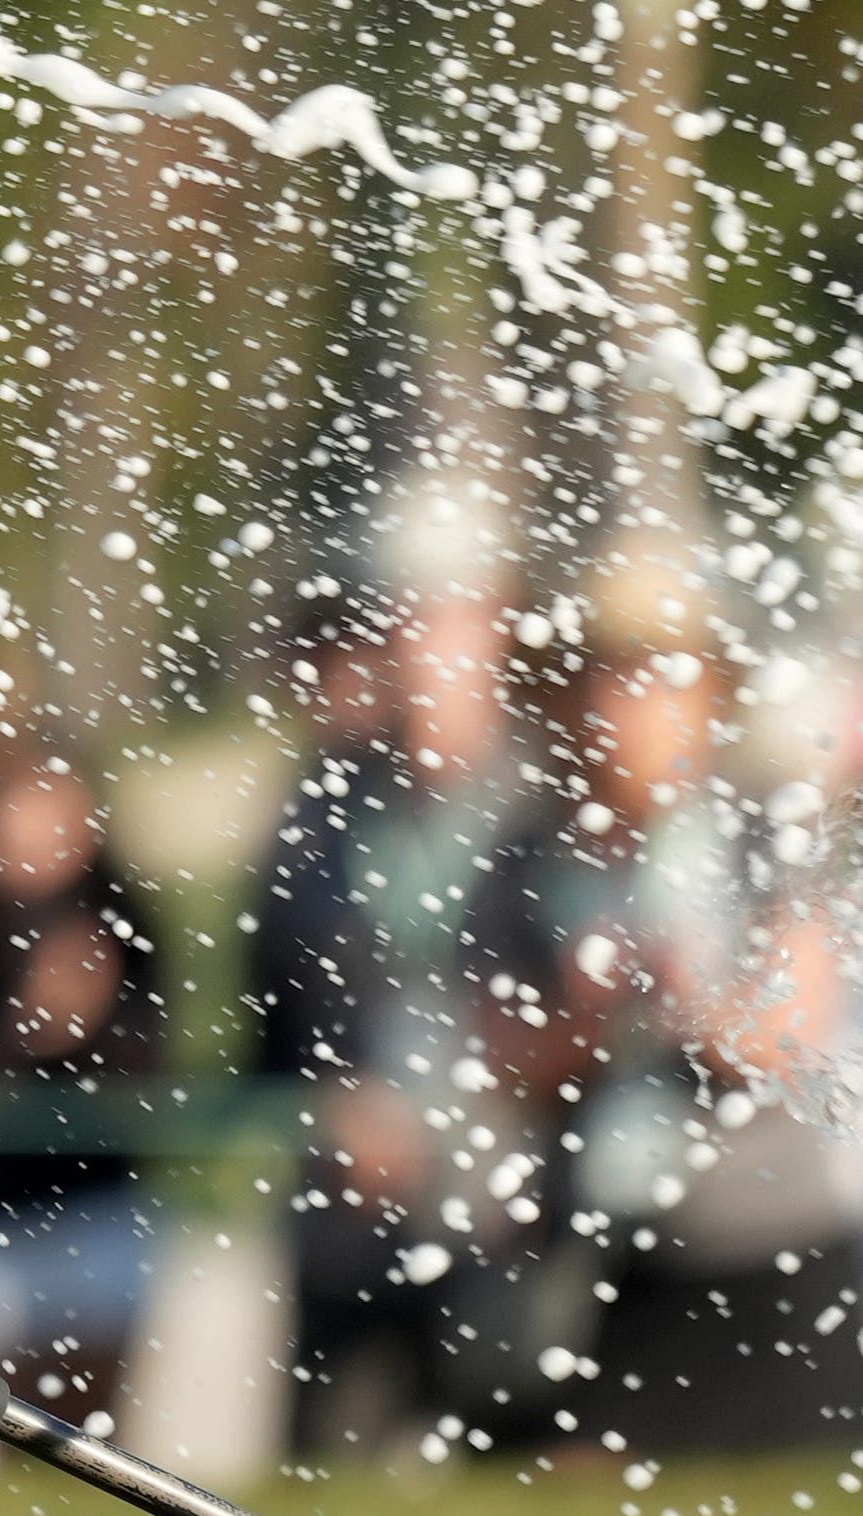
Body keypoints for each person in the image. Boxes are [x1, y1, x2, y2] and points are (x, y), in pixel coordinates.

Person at [492, 583, 863, 1450]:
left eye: (657, 682)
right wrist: (589, 1014)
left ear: (706, 700)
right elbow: (503, 1069)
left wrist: (677, 993)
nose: (626, 710)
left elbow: (783, 1045)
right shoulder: (528, 856)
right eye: (608, 683)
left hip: (770, 1254)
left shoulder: (764, 840)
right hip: (613, 1263)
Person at [246, 548, 555, 1450]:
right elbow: (275, 1013)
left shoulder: (551, 795)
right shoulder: (321, 809)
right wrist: (330, 1100)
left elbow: (585, 997)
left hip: (515, 1199)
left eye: (446, 639)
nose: (422, 668)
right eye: (405, 638)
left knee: (512, 1477)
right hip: (352, 1204)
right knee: (327, 1484)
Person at [0, 696, 163, 1426]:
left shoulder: (121, 917)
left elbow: (153, 1065)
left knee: (91, 1431)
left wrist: (86, 1027)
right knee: (1, 1417)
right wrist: (26, 1032)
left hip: (95, 1202)